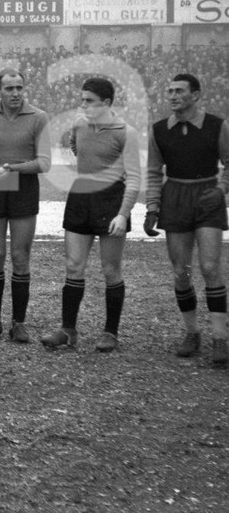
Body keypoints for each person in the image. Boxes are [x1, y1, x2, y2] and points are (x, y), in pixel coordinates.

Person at [41, 77, 140, 352]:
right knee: (73, 266)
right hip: (81, 194)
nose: (82, 105)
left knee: (110, 269)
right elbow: (76, 147)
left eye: (89, 101)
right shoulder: (79, 124)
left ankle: (110, 333)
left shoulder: (125, 132)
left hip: (111, 199)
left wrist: (123, 213)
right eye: (82, 99)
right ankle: (68, 330)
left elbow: (133, 178)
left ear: (106, 103)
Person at [144, 73, 229, 365]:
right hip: (175, 197)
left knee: (209, 267)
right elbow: (154, 171)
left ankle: (220, 339)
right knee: (181, 271)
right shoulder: (158, 130)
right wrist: (152, 207)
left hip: (207, 196)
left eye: (179, 90)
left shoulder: (217, 125)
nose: (173, 95)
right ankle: (192, 333)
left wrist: (221, 190)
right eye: (170, 90)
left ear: (196, 95)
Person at [0, 69, 51, 343]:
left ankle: (19, 323)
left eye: (19, 88)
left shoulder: (38, 117)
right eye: (9, 89)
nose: (15, 93)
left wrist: (12, 168)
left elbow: (44, 162)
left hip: (23, 186)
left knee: (20, 257)